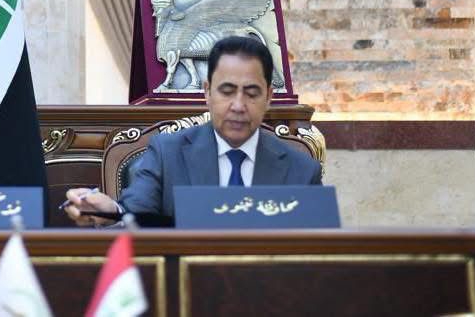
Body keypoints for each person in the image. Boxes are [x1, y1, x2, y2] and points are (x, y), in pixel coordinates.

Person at [64, 35, 322, 226]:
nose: (238, 105)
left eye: (251, 93)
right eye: (227, 91)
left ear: (269, 96)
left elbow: (317, 255)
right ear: (207, 92)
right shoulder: (167, 154)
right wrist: (108, 211)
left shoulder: (301, 170)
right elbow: (135, 214)